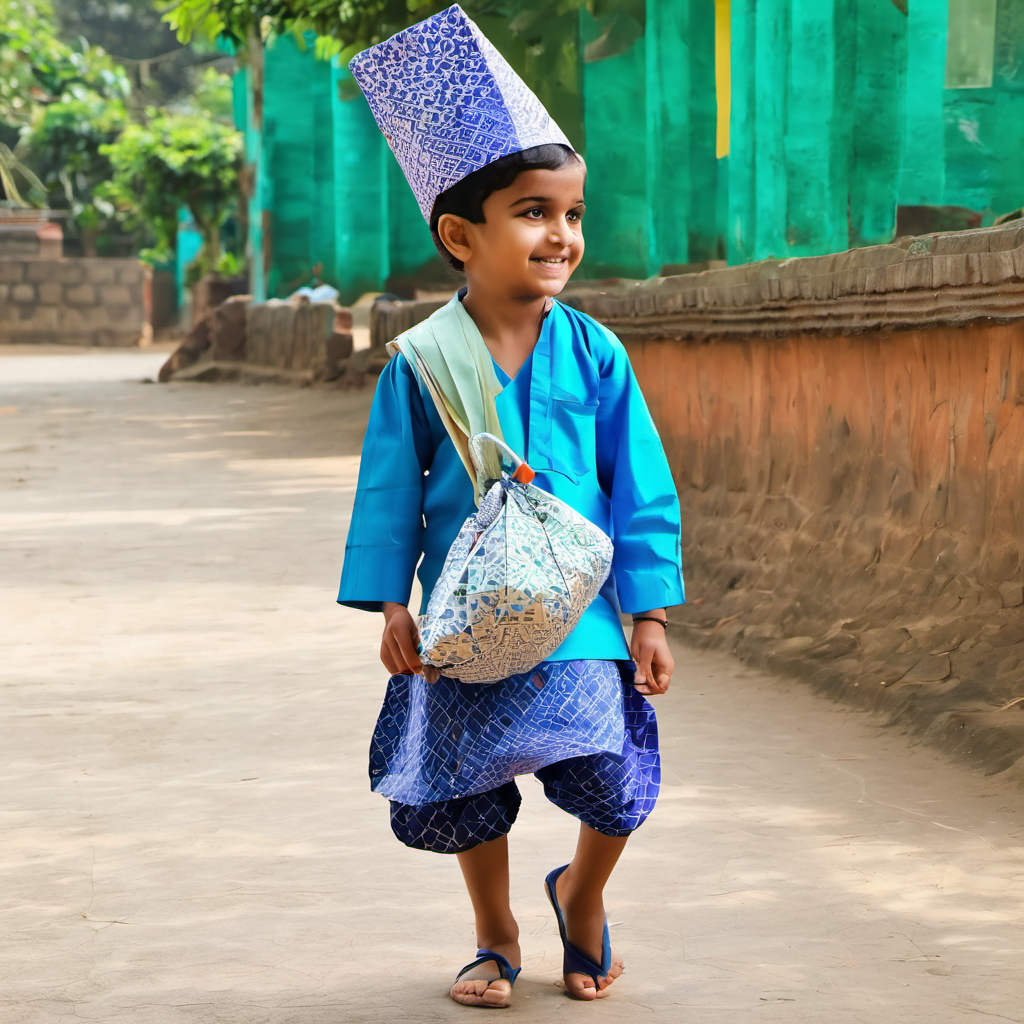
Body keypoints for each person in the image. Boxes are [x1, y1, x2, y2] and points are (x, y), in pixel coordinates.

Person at [338, 4, 684, 1008]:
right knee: (468, 784)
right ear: (459, 232)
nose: (562, 234)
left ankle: (583, 892)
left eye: (573, 214)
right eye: (534, 211)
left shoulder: (596, 352)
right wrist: (389, 603)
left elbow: (642, 486)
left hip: (581, 620)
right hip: (460, 617)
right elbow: (388, 492)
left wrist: (648, 610)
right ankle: (494, 931)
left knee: (614, 778)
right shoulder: (419, 364)